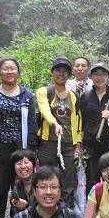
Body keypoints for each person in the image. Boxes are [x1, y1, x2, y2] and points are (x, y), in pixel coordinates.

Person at [0, 57, 37, 218]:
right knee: (0, 183)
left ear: (18, 72)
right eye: (5, 68)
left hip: (21, 145)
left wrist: (30, 149)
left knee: (23, 182)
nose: (9, 71)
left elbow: (32, 123)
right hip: (0, 145)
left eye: (13, 68)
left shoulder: (27, 96)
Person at [35, 57, 82, 207]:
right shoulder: (44, 91)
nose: (61, 74)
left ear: (69, 75)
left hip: (68, 144)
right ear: (52, 72)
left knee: (69, 180)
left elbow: (77, 121)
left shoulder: (73, 96)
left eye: (65, 71)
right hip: (48, 142)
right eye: (58, 70)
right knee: (46, 178)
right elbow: (44, 110)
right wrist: (54, 123)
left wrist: (78, 144)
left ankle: (66, 211)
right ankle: (45, 209)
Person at [79, 62, 109, 190]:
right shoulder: (86, 96)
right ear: (91, 77)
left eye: (103, 74)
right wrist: (79, 144)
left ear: (108, 77)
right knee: (92, 181)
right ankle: (92, 203)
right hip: (90, 147)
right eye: (96, 74)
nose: (99, 78)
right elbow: (81, 122)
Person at [8, 148, 37, 217]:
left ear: (33, 165)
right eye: (19, 163)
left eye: (26, 162)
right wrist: (18, 207)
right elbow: (13, 214)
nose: (23, 166)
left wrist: (26, 205)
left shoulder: (43, 183)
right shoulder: (16, 187)